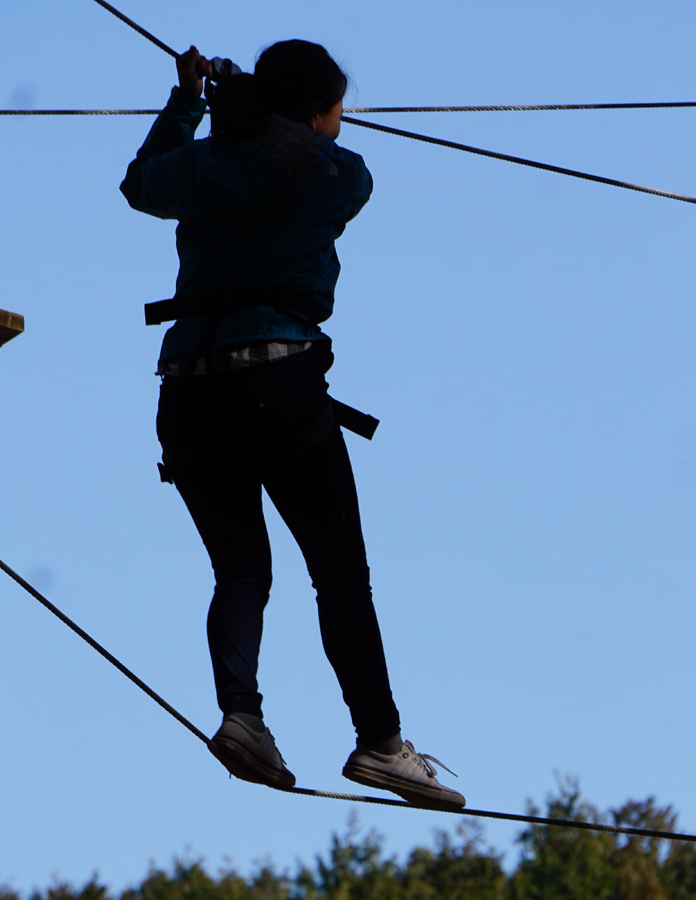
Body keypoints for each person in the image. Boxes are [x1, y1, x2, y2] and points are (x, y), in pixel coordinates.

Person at [120, 40, 464, 809]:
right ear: (315, 113)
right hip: (277, 383)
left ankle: (242, 717)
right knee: (340, 575)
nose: (341, 128)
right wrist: (258, 120)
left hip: (188, 392)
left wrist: (192, 106)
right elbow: (326, 168)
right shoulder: (336, 172)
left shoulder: (210, 163)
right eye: (335, 113)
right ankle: (379, 742)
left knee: (241, 571)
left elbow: (142, 183)